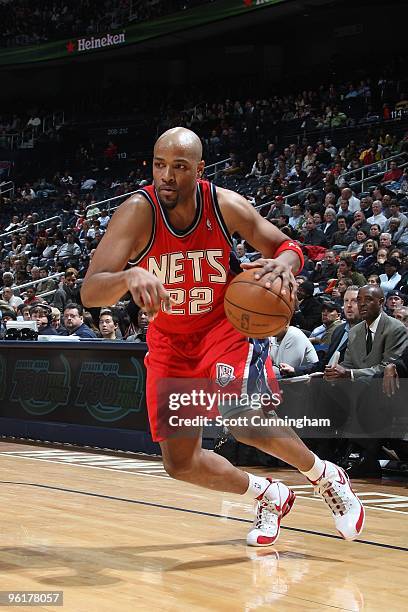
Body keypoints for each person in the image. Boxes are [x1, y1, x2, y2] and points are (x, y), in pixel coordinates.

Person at [81, 126, 364, 545]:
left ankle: (325, 476)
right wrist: (127, 275)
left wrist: (285, 264)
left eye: (179, 167)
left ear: (199, 169)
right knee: (180, 463)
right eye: (160, 165)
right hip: (171, 342)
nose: (167, 176)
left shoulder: (224, 204)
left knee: (243, 420)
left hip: (226, 330)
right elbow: (91, 290)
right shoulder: (137, 211)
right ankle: (268, 495)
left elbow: (285, 245)